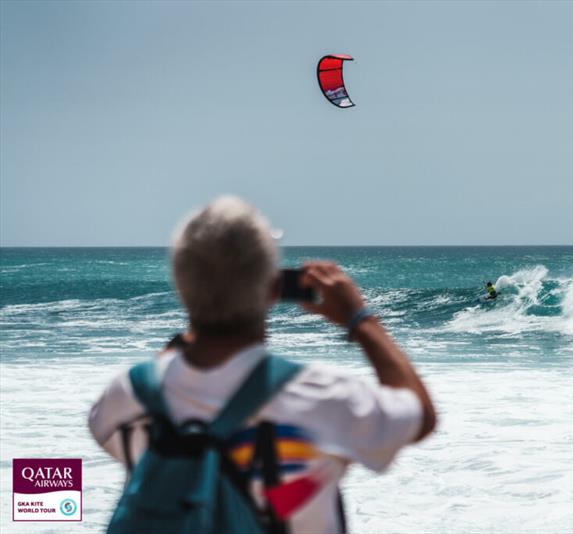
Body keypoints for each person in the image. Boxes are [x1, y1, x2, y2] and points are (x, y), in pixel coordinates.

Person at [88, 196, 436, 533]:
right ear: (273, 290)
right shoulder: (320, 397)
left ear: (181, 287)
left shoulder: (129, 396)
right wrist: (359, 319)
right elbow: (419, 415)